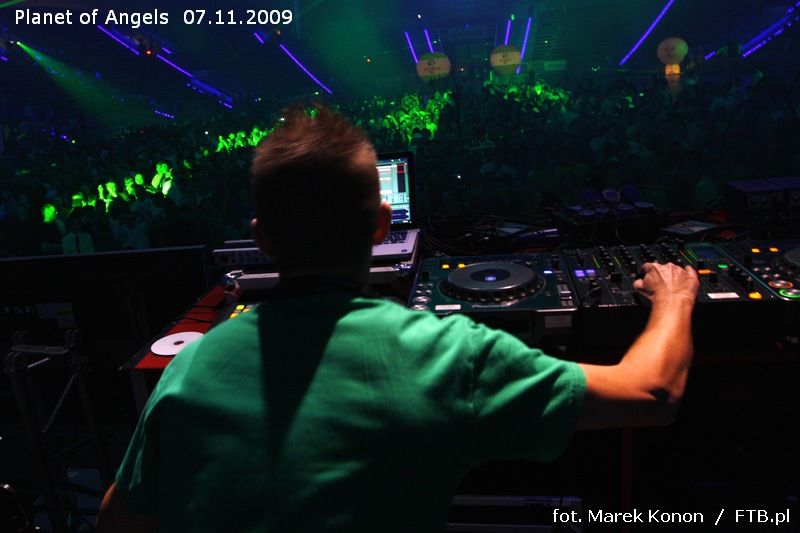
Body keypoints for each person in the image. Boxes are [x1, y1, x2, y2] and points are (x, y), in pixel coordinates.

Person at [96, 105, 699, 532]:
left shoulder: (189, 369)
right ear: (382, 225)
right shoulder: (446, 354)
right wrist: (673, 298)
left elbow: (117, 521)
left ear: (262, 239)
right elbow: (653, 393)